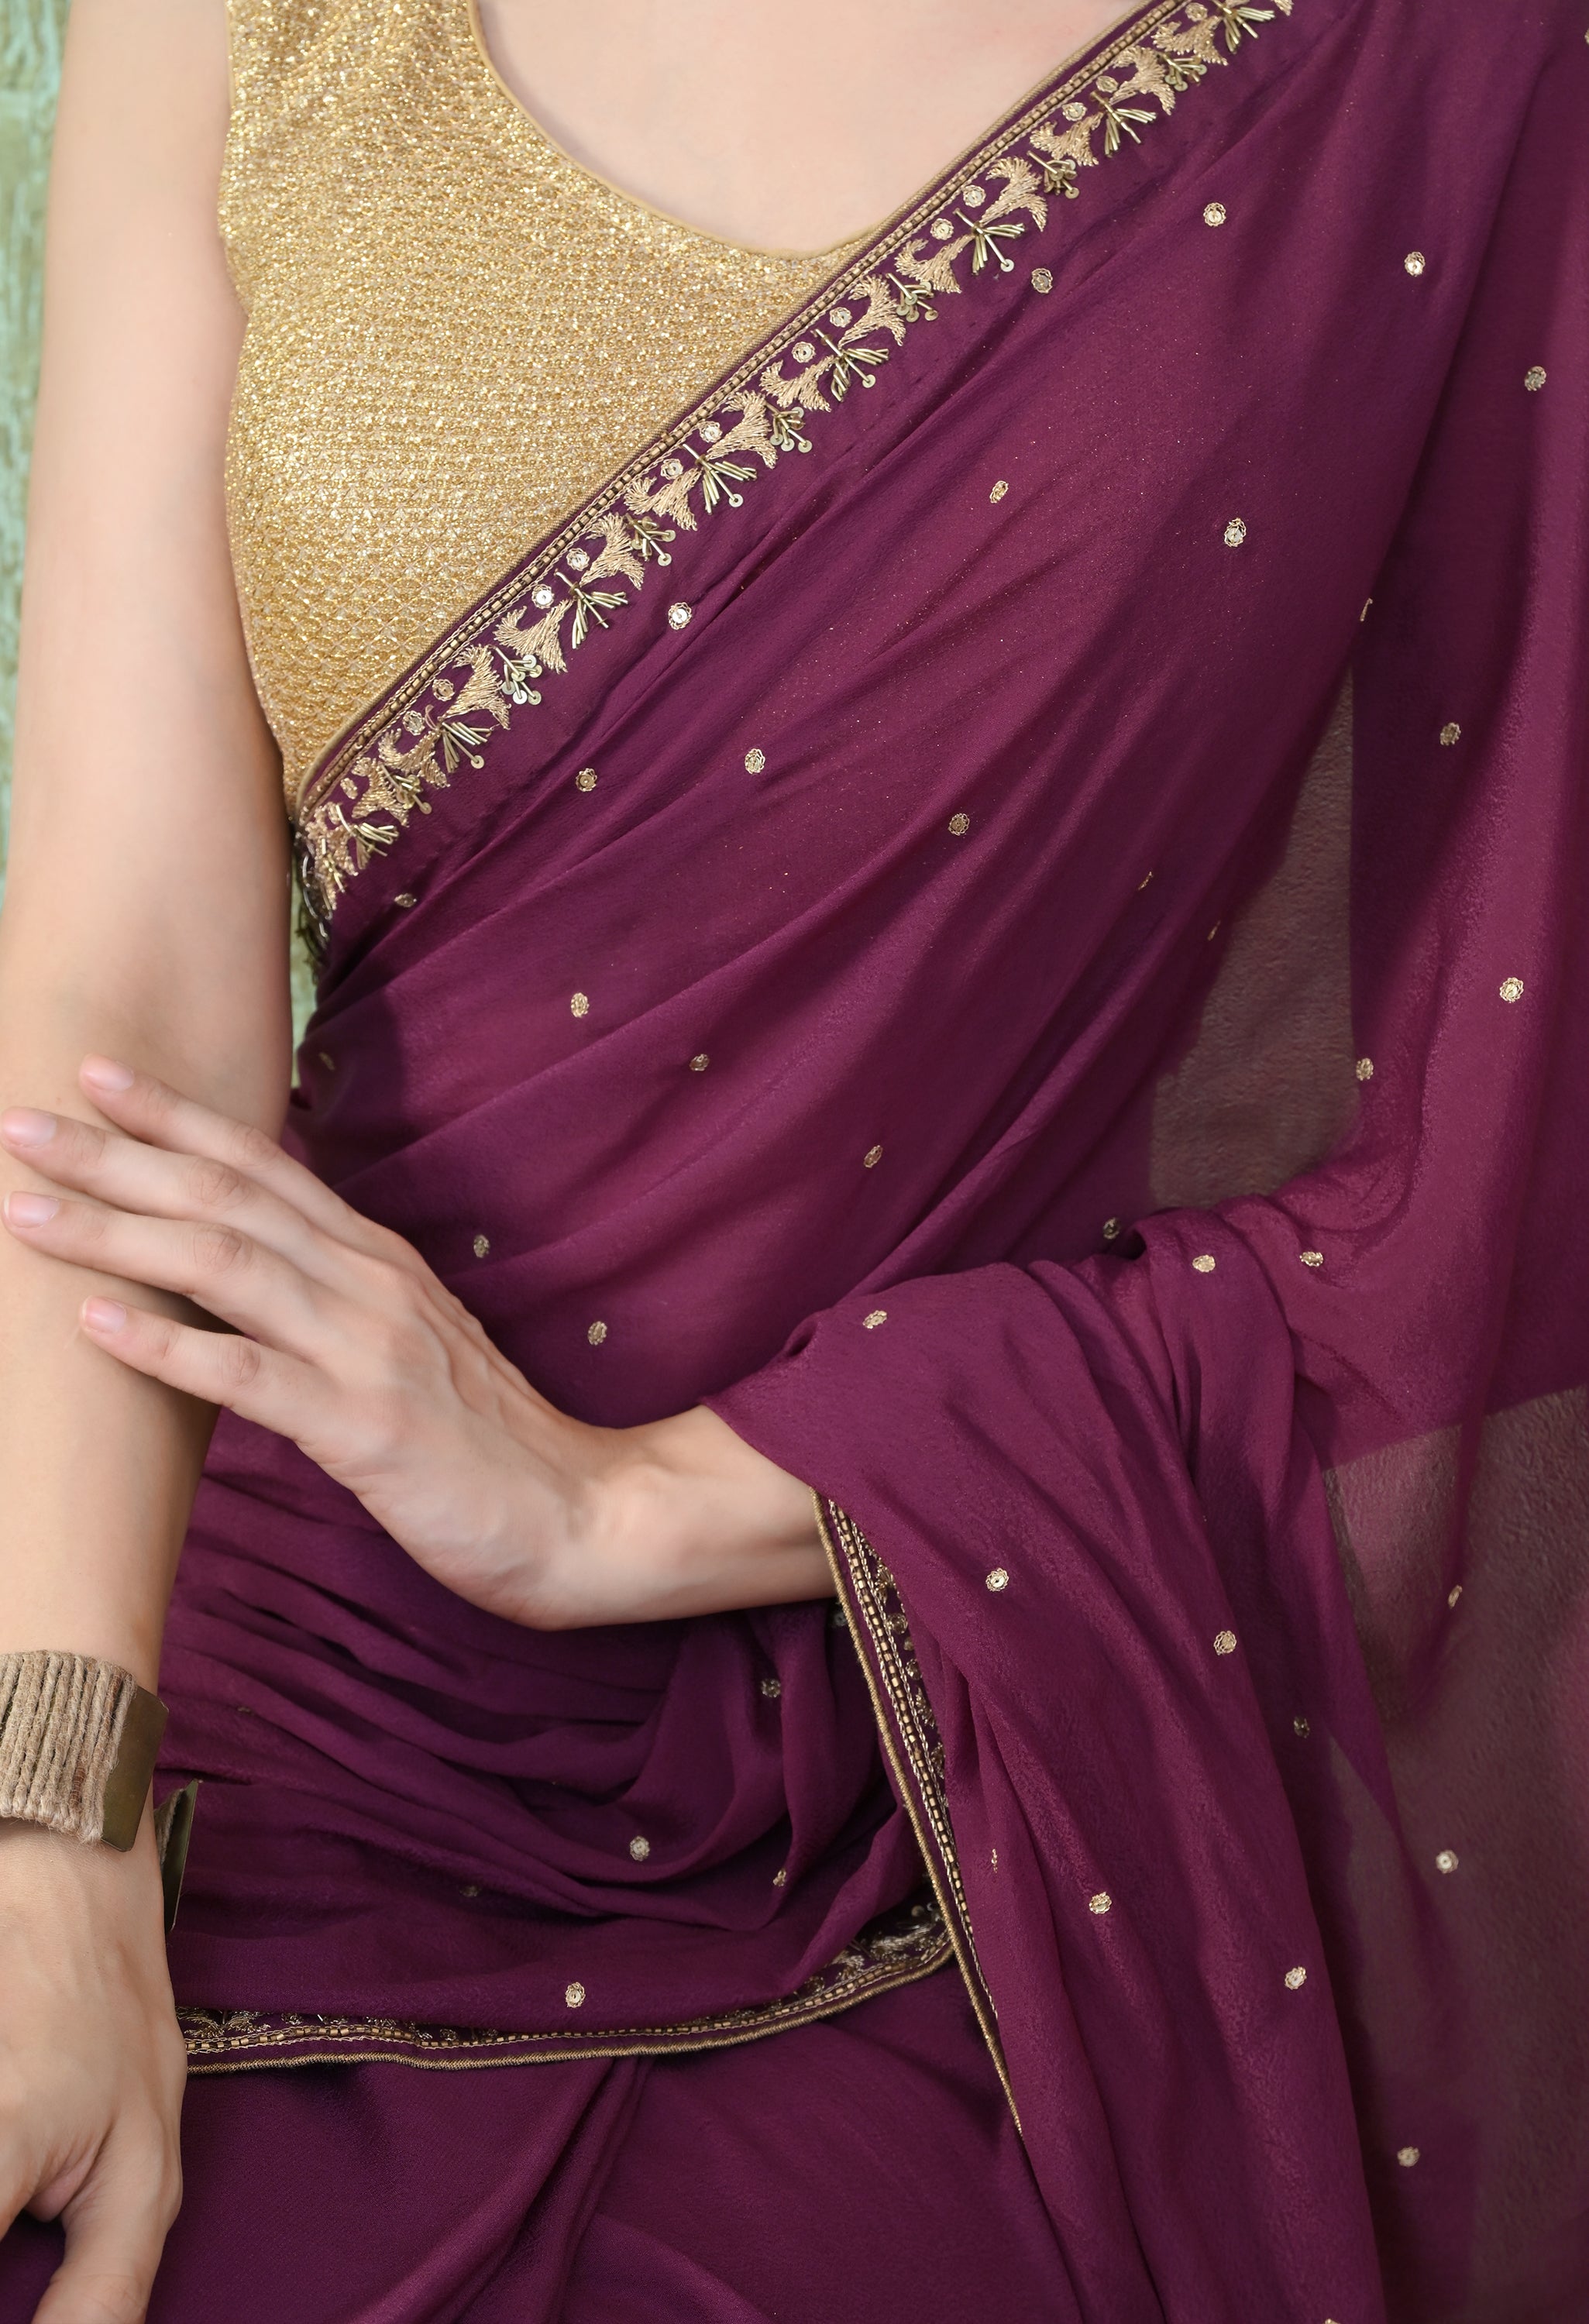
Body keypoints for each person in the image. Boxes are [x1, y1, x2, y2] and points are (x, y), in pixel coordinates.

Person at [0, 0, 1584, 2315]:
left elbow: (1500, 1142)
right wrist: (50, 1834)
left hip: (977, 1724)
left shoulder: (1450, 61)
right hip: (274, 1659)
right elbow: (125, 1004)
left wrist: (624, 1508)